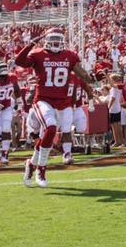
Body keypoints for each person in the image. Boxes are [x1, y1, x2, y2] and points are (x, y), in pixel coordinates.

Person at [15, 28, 94, 188]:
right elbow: (19, 61)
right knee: (50, 128)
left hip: (63, 102)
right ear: (46, 40)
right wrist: (30, 44)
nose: (57, 42)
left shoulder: (70, 55)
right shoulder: (38, 54)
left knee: (48, 136)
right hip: (43, 100)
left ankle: (31, 164)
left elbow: (83, 75)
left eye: (59, 38)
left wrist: (92, 77)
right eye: (53, 38)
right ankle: (41, 169)